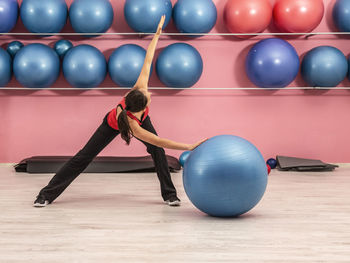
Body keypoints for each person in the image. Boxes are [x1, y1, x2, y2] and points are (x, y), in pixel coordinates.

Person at [33, 16, 205, 208]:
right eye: (148, 97)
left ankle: (170, 195)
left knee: (158, 152)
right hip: (112, 123)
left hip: (135, 118)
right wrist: (188, 146)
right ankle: (45, 195)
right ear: (140, 109)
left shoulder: (138, 89)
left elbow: (148, 60)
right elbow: (159, 140)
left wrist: (156, 35)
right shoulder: (134, 125)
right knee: (83, 157)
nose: (150, 95)